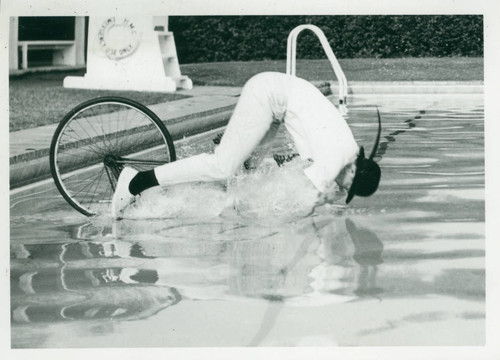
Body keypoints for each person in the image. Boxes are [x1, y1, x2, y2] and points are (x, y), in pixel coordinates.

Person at [111, 72, 381, 219]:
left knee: (248, 170)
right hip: (269, 96)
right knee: (222, 167)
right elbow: (308, 204)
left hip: (277, 99)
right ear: (355, 172)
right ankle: (137, 182)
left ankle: (220, 169)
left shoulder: (347, 148)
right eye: (348, 187)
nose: (342, 188)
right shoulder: (337, 159)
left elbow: (299, 163)